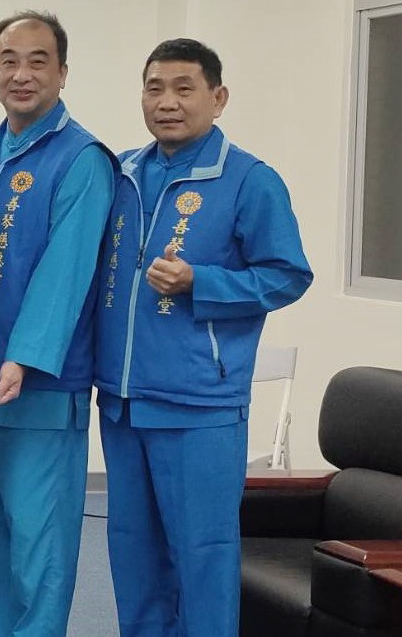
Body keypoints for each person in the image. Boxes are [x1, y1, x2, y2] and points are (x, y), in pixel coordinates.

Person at [95, 39, 311, 637]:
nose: (167, 102)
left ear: (218, 99)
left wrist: (202, 282)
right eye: (154, 88)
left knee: (202, 558)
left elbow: (288, 275)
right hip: (122, 401)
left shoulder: (250, 180)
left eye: (183, 88)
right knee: (133, 556)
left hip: (200, 404)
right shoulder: (121, 174)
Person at [0, 11, 116, 636]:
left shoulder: (83, 159)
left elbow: (66, 272)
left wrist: (22, 357)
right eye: (8, 60)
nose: (21, 74)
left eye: (38, 61)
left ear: (63, 72)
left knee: (39, 543)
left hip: (40, 386)